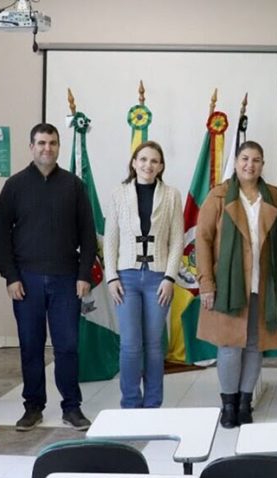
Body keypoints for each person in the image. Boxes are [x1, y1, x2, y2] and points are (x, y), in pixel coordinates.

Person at [0, 123, 97, 431]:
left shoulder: (74, 186)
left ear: (58, 146)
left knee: (67, 346)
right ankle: (33, 406)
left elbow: (88, 235)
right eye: (41, 143)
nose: (47, 148)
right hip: (26, 281)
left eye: (52, 143)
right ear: (31, 147)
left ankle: (71, 407)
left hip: (67, 280)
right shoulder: (14, 186)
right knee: (30, 346)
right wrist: (10, 277)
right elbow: (1, 236)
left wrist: (84, 275)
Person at [196, 141, 277, 429]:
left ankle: (246, 402)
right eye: (245, 159)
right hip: (228, 285)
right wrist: (206, 283)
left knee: (254, 346)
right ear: (235, 162)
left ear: (263, 164)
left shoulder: (273, 195)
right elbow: (203, 240)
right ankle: (228, 405)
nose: (250, 165)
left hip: (263, 282)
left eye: (257, 160)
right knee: (229, 346)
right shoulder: (219, 195)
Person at [103, 140, 183, 409]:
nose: (148, 165)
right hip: (126, 278)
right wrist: (111, 277)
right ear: (134, 162)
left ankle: (153, 403)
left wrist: (170, 278)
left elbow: (177, 241)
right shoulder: (118, 194)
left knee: (153, 344)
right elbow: (111, 239)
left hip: (158, 279)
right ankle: (130, 403)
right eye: (143, 159)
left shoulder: (172, 195)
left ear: (161, 166)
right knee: (130, 344)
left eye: (154, 161)